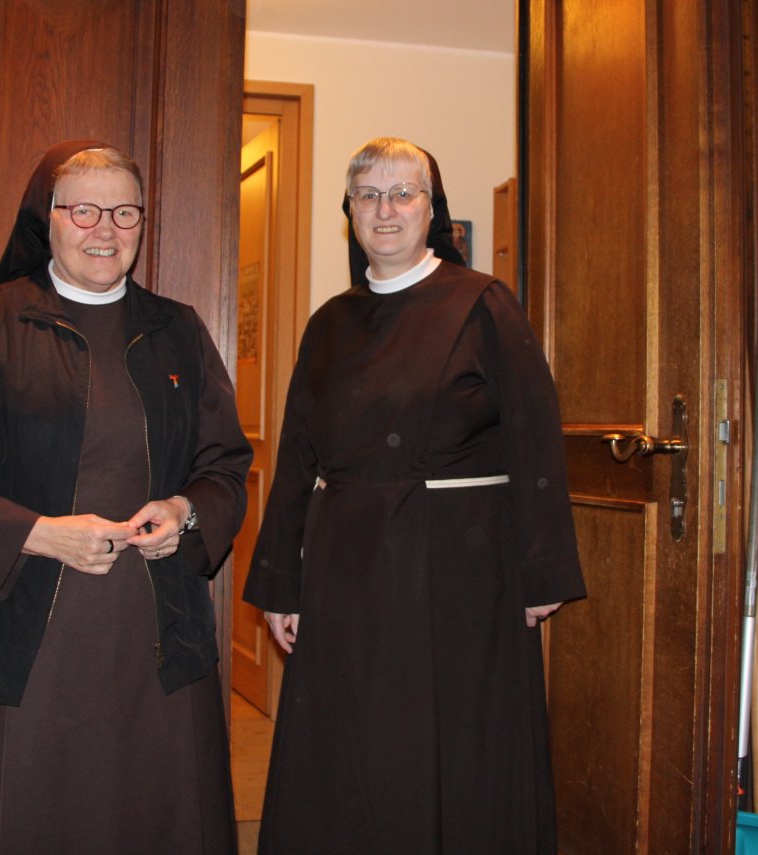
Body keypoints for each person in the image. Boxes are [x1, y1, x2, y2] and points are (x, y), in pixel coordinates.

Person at [0, 139, 251, 854]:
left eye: (124, 212)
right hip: (25, 624)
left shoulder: (177, 330)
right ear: (47, 218)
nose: (105, 229)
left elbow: (225, 465)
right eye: (83, 209)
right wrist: (39, 533)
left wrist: (184, 512)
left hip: (153, 628)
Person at [243, 137, 586, 854]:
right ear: (350, 211)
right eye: (368, 195)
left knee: (451, 751)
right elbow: (298, 457)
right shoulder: (329, 324)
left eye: (404, 193)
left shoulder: (484, 305)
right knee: (351, 750)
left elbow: (535, 437)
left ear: (433, 210)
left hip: (459, 576)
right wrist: (280, 582)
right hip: (346, 571)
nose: (386, 209)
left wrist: (543, 569)